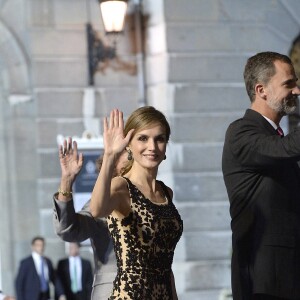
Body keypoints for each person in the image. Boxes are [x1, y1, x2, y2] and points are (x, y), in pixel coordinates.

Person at [222, 51, 300, 300]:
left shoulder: (273, 135)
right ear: (261, 90)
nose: (296, 90)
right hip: (264, 281)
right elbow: (287, 149)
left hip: (287, 275)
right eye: (288, 84)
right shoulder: (241, 132)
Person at [84, 106, 183, 299]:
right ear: (128, 144)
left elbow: (165, 265)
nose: (152, 147)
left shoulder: (166, 192)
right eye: (143, 138)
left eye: (159, 139)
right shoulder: (122, 186)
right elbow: (96, 209)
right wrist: (110, 156)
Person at [53, 149, 127, 299]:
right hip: (114, 292)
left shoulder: (158, 197)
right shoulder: (103, 205)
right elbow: (69, 230)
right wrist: (66, 182)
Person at [15, 236, 65, 300]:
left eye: (42, 245)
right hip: (31, 297)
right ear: (33, 246)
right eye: (38, 245)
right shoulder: (26, 262)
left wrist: (61, 294)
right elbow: (19, 283)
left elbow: (54, 279)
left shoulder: (47, 261)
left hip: (45, 296)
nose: (41, 247)